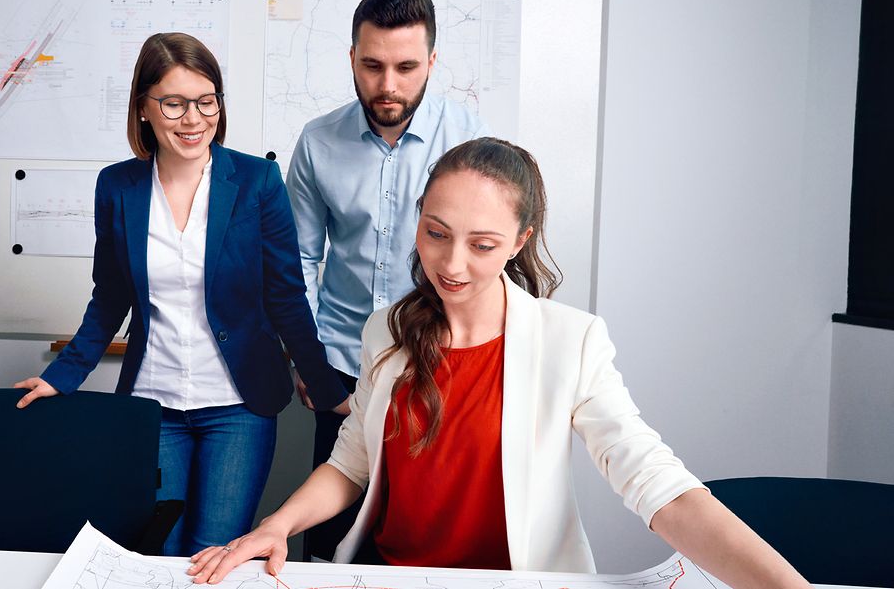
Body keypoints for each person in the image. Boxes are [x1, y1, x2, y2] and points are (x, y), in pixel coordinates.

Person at [187, 138, 810, 589]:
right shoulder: (388, 330)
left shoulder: (572, 341)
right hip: (389, 580)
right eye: (435, 233)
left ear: (520, 240)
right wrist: (275, 525)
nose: (451, 265)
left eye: (482, 245)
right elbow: (354, 459)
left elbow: (657, 485)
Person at [13, 32, 349, 557]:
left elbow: (286, 294)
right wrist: (64, 376)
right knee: (156, 550)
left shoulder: (258, 180)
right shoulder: (117, 187)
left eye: (206, 100)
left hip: (239, 407)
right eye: (173, 103)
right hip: (154, 403)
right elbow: (110, 297)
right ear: (144, 108)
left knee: (212, 552)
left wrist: (327, 389)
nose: (193, 119)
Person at [286, 0, 491, 557]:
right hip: (342, 368)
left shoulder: (472, 141)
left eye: (406, 67)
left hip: (438, 365)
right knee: (331, 542)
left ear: (431, 62)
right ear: (352, 57)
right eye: (372, 66)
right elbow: (298, 260)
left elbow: (485, 266)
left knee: (421, 542)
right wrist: (309, 362)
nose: (388, 86)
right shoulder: (317, 141)